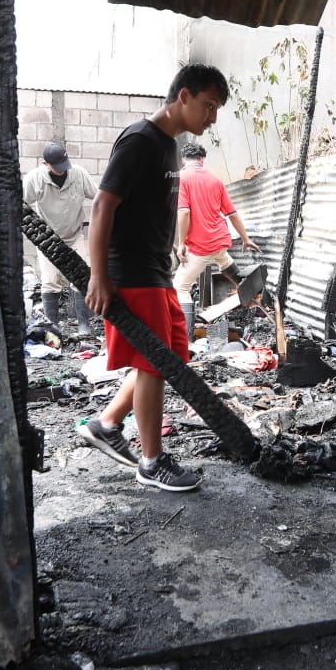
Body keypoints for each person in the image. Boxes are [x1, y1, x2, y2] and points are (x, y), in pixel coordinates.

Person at [78, 64, 229, 492]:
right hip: (132, 271)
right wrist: (99, 276)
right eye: (209, 105)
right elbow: (103, 206)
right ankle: (151, 461)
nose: (212, 117)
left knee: (167, 356)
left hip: (157, 270)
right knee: (152, 364)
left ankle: (108, 424)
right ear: (184, 96)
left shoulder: (169, 146)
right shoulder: (141, 140)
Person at [172, 141, 261, 333]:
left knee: (180, 287)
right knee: (223, 259)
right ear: (202, 159)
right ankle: (253, 293)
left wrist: (181, 244)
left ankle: (186, 341)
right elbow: (232, 213)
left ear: (183, 160)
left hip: (200, 245)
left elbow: (184, 213)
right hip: (219, 241)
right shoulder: (214, 179)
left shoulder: (182, 179)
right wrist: (245, 238)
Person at [22, 142, 98, 335]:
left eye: (65, 164)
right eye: (57, 167)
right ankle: (53, 328)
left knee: (81, 277)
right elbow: (21, 205)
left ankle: (84, 325)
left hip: (74, 234)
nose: (63, 170)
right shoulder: (34, 179)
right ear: (45, 163)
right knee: (50, 281)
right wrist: (34, 230)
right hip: (48, 238)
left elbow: (98, 198)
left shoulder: (78, 173)